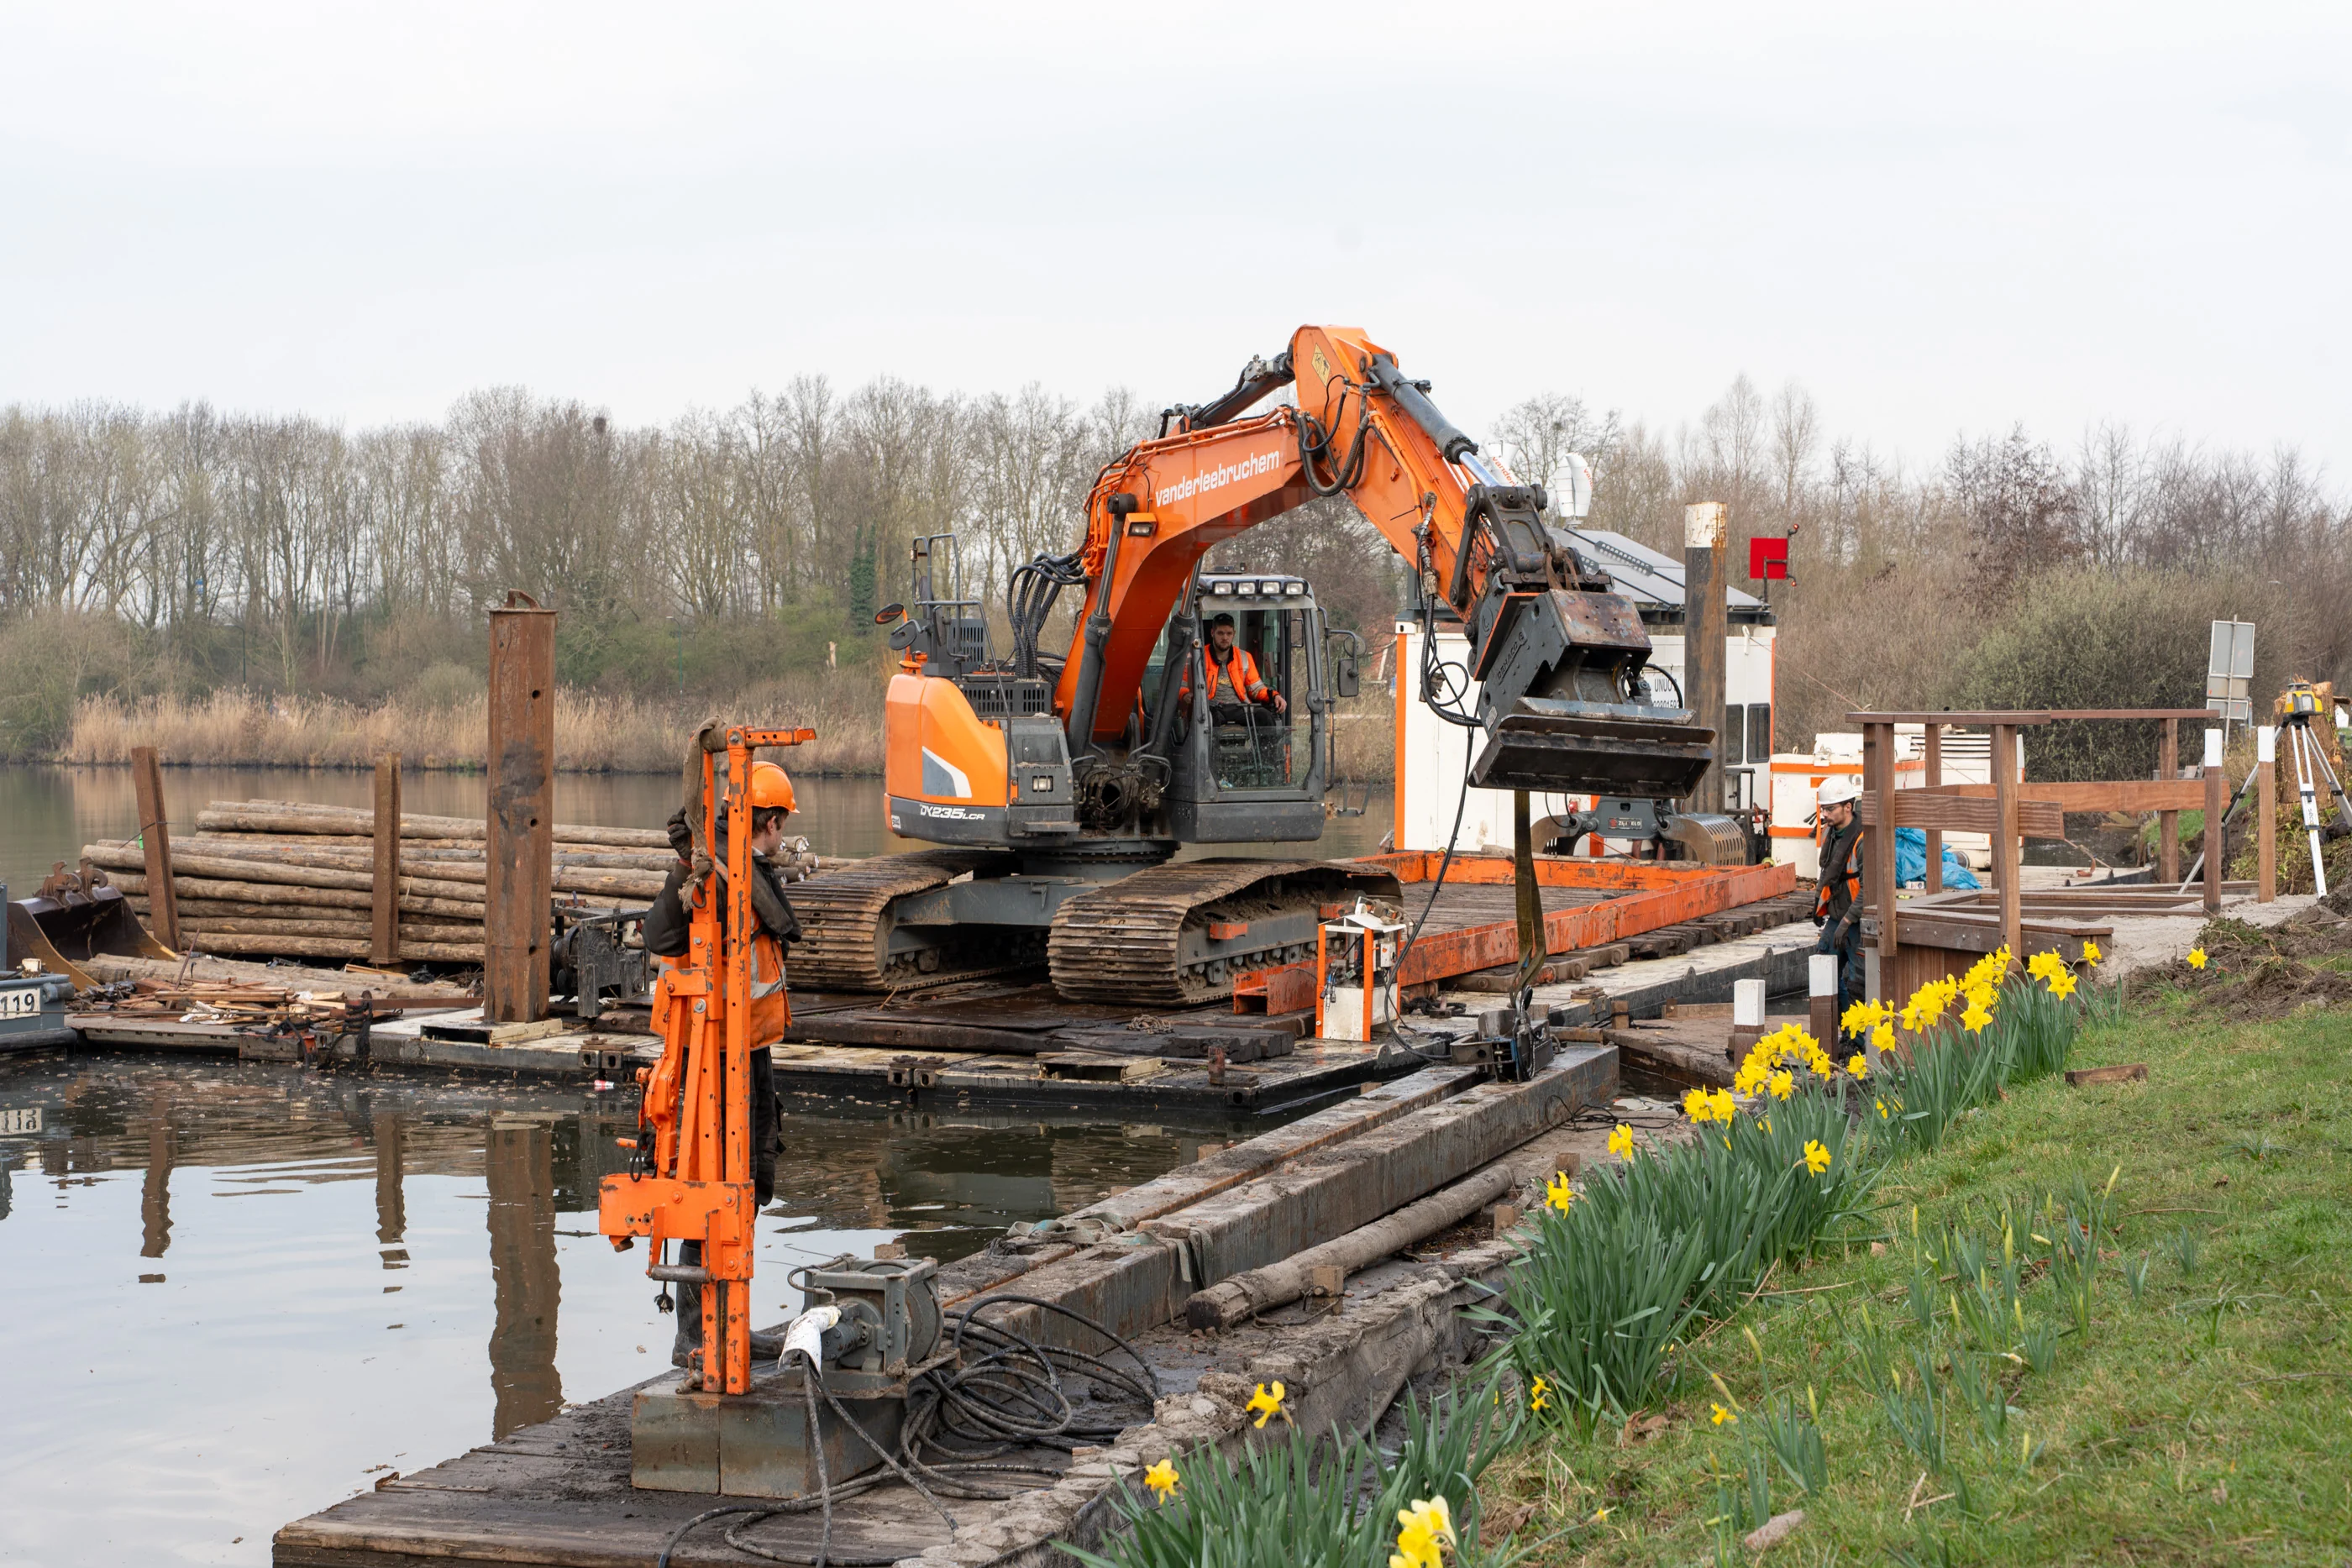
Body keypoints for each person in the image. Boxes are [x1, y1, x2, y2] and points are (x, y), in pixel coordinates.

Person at [643, 758, 802, 1369]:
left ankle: (730, 1322)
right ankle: (694, 1336)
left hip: (749, 1050)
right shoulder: (711, 877)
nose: (782, 839)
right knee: (706, 1187)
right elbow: (660, 936)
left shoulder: (749, 878)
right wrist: (689, 870)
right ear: (764, 821)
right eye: (778, 825)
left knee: (748, 1182)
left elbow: (778, 926)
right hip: (708, 1057)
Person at [1812, 775, 1866, 1015]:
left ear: (1848, 807)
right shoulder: (1830, 834)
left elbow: (1869, 890)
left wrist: (1847, 922)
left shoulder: (1863, 841)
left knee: (1858, 984)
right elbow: (1827, 873)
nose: (1825, 814)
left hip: (1857, 921)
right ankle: (1843, 1027)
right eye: (1823, 808)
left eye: (1830, 809)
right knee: (1823, 973)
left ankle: (1858, 1040)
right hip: (1837, 917)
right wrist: (1817, 903)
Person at [1181, 612, 1286, 728]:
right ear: (1212, 633)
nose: (1225, 638)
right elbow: (1183, 686)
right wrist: (1186, 695)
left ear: (1234, 634)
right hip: (1212, 708)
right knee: (1207, 719)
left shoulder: (1244, 657)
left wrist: (1275, 696)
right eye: (1220, 633)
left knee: (1264, 716)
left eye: (1229, 633)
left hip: (1240, 708)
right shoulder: (1197, 657)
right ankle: (1211, 747)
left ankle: (1268, 747)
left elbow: (1256, 688)